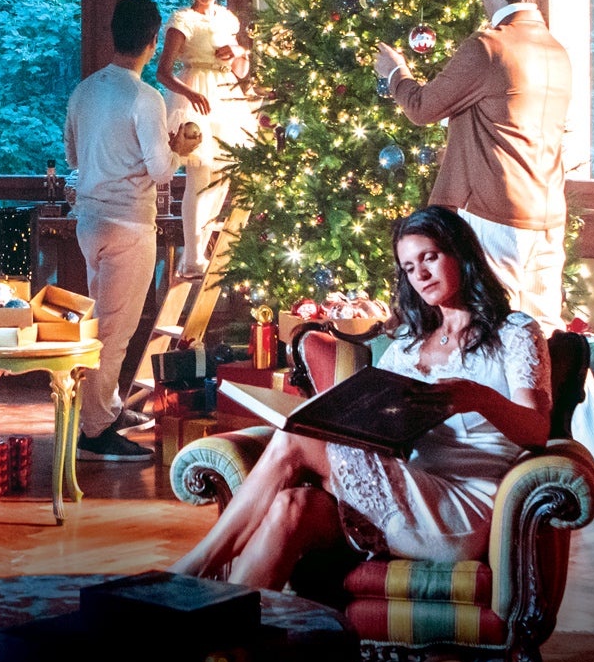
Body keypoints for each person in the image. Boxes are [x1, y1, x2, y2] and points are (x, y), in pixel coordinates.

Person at [170, 205, 551, 586]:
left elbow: (536, 431)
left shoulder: (515, 332)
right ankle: (222, 618)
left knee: (294, 438)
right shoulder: (407, 344)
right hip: (403, 483)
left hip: (461, 504)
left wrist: (478, 398)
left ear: (460, 254)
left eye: (430, 257)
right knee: (292, 506)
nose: (420, 275)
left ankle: (194, 569)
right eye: (409, 267)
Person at [373, 0, 594, 490]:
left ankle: (497, 457)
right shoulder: (556, 51)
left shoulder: (488, 46)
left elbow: (422, 107)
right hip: (546, 215)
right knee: (551, 341)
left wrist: (394, 73)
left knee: (494, 326)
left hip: (492, 212)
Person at [63, 0, 185, 463]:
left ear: (114, 35)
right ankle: (94, 433)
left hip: (89, 223)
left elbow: (73, 157)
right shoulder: (145, 97)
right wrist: (179, 147)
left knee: (102, 322)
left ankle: (107, 409)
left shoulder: (84, 91)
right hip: (128, 225)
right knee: (114, 333)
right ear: (153, 43)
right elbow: (161, 170)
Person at [156, 0, 255, 280]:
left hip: (226, 98)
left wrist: (239, 50)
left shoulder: (227, 19)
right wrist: (190, 93)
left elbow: (241, 71)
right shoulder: (183, 20)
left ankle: (199, 248)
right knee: (199, 179)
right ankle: (193, 256)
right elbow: (163, 72)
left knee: (223, 176)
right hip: (195, 96)